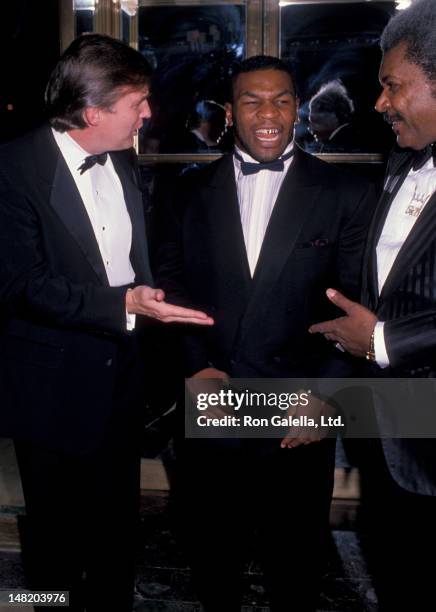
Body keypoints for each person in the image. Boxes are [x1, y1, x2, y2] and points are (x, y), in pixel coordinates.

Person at [0, 33, 213, 612]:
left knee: (117, 524)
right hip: (50, 388)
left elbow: (135, 257)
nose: (150, 113)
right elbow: (20, 286)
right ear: (93, 111)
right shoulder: (13, 168)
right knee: (53, 539)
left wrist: (156, 302)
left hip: (123, 379)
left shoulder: (125, 158)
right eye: (138, 103)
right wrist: (124, 304)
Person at [156, 55, 375, 611]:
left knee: (296, 564)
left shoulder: (346, 192)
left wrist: (325, 395)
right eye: (252, 100)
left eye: (281, 99)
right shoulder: (183, 191)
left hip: (296, 411)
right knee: (212, 559)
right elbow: (169, 286)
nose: (268, 112)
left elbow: (359, 304)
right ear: (229, 113)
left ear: (298, 108)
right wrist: (195, 366)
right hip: (215, 399)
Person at [309, 0, 436, 607]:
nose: (380, 103)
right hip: (394, 432)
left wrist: (383, 341)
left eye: (392, 86)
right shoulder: (403, 162)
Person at [308, 79, 357, 152]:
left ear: (334, 114)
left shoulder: (334, 147)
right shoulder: (352, 138)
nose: (310, 129)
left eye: (314, 121)